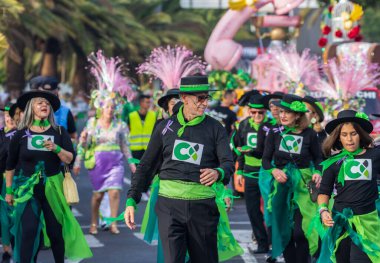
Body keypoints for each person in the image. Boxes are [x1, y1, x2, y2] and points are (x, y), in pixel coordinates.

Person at [124, 75, 235, 263]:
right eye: (200, 98)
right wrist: (131, 200)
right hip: (169, 206)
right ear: (184, 98)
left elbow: (227, 163)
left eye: (206, 98)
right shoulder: (164, 127)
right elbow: (146, 165)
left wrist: (218, 173)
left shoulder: (215, 128)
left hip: (203, 207)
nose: (204, 103)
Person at [5, 90, 92, 263]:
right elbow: (10, 164)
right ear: (31, 108)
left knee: (55, 232)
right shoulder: (20, 134)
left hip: (53, 187)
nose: (45, 105)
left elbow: (70, 158)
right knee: (29, 231)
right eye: (40, 103)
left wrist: (56, 148)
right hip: (28, 190)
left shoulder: (59, 131)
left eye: (47, 103)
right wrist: (9, 191)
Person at [74, 51, 136, 235]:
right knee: (98, 195)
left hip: (116, 163)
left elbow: (125, 146)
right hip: (98, 164)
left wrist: (132, 163)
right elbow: (83, 144)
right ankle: (94, 222)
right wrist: (77, 163)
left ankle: (112, 222)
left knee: (115, 192)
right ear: (101, 107)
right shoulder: (92, 124)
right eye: (107, 106)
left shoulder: (121, 125)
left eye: (113, 106)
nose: (110, 109)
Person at [262, 94, 323, 262]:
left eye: (287, 112)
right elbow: (266, 160)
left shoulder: (310, 134)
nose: (282, 115)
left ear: (297, 115)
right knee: (284, 229)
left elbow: (319, 158)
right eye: (281, 111)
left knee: (300, 231)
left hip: (303, 186)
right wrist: (274, 171)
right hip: (281, 184)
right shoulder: (274, 132)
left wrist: (318, 171)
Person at [318, 110, 380, 263]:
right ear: (338, 137)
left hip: (367, 223)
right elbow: (324, 192)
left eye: (353, 133)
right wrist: (323, 210)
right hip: (340, 222)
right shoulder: (333, 162)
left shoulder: (375, 155)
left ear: (361, 134)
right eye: (344, 135)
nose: (350, 139)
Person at [235, 94, 269, 254]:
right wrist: (240, 171)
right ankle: (262, 242)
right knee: (252, 210)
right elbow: (240, 150)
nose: (257, 116)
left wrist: (254, 152)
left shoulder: (271, 126)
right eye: (253, 112)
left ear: (266, 112)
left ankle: (275, 240)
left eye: (260, 113)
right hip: (249, 173)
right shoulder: (242, 125)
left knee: (270, 210)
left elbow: (270, 151)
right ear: (249, 111)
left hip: (267, 173)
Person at [30, 76, 77, 140]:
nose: (48, 98)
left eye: (51, 94)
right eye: (45, 93)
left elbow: (73, 136)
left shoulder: (65, 111)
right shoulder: (32, 109)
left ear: (56, 91)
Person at [0, 103, 17, 262]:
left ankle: (16, 249)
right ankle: (6, 250)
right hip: (2, 183)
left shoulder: (21, 135)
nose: (9, 119)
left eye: (12, 116)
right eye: (7, 116)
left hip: (18, 182)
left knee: (15, 218)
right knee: (4, 219)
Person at [128, 94, 157, 160]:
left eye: (149, 102)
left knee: (148, 169)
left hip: (149, 149)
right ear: (141, 103)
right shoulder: (131, 116)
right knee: (136, 169)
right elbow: (127, 131)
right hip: (135, 150)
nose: (149, 104)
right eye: (147, 102)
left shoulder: (153, 115)